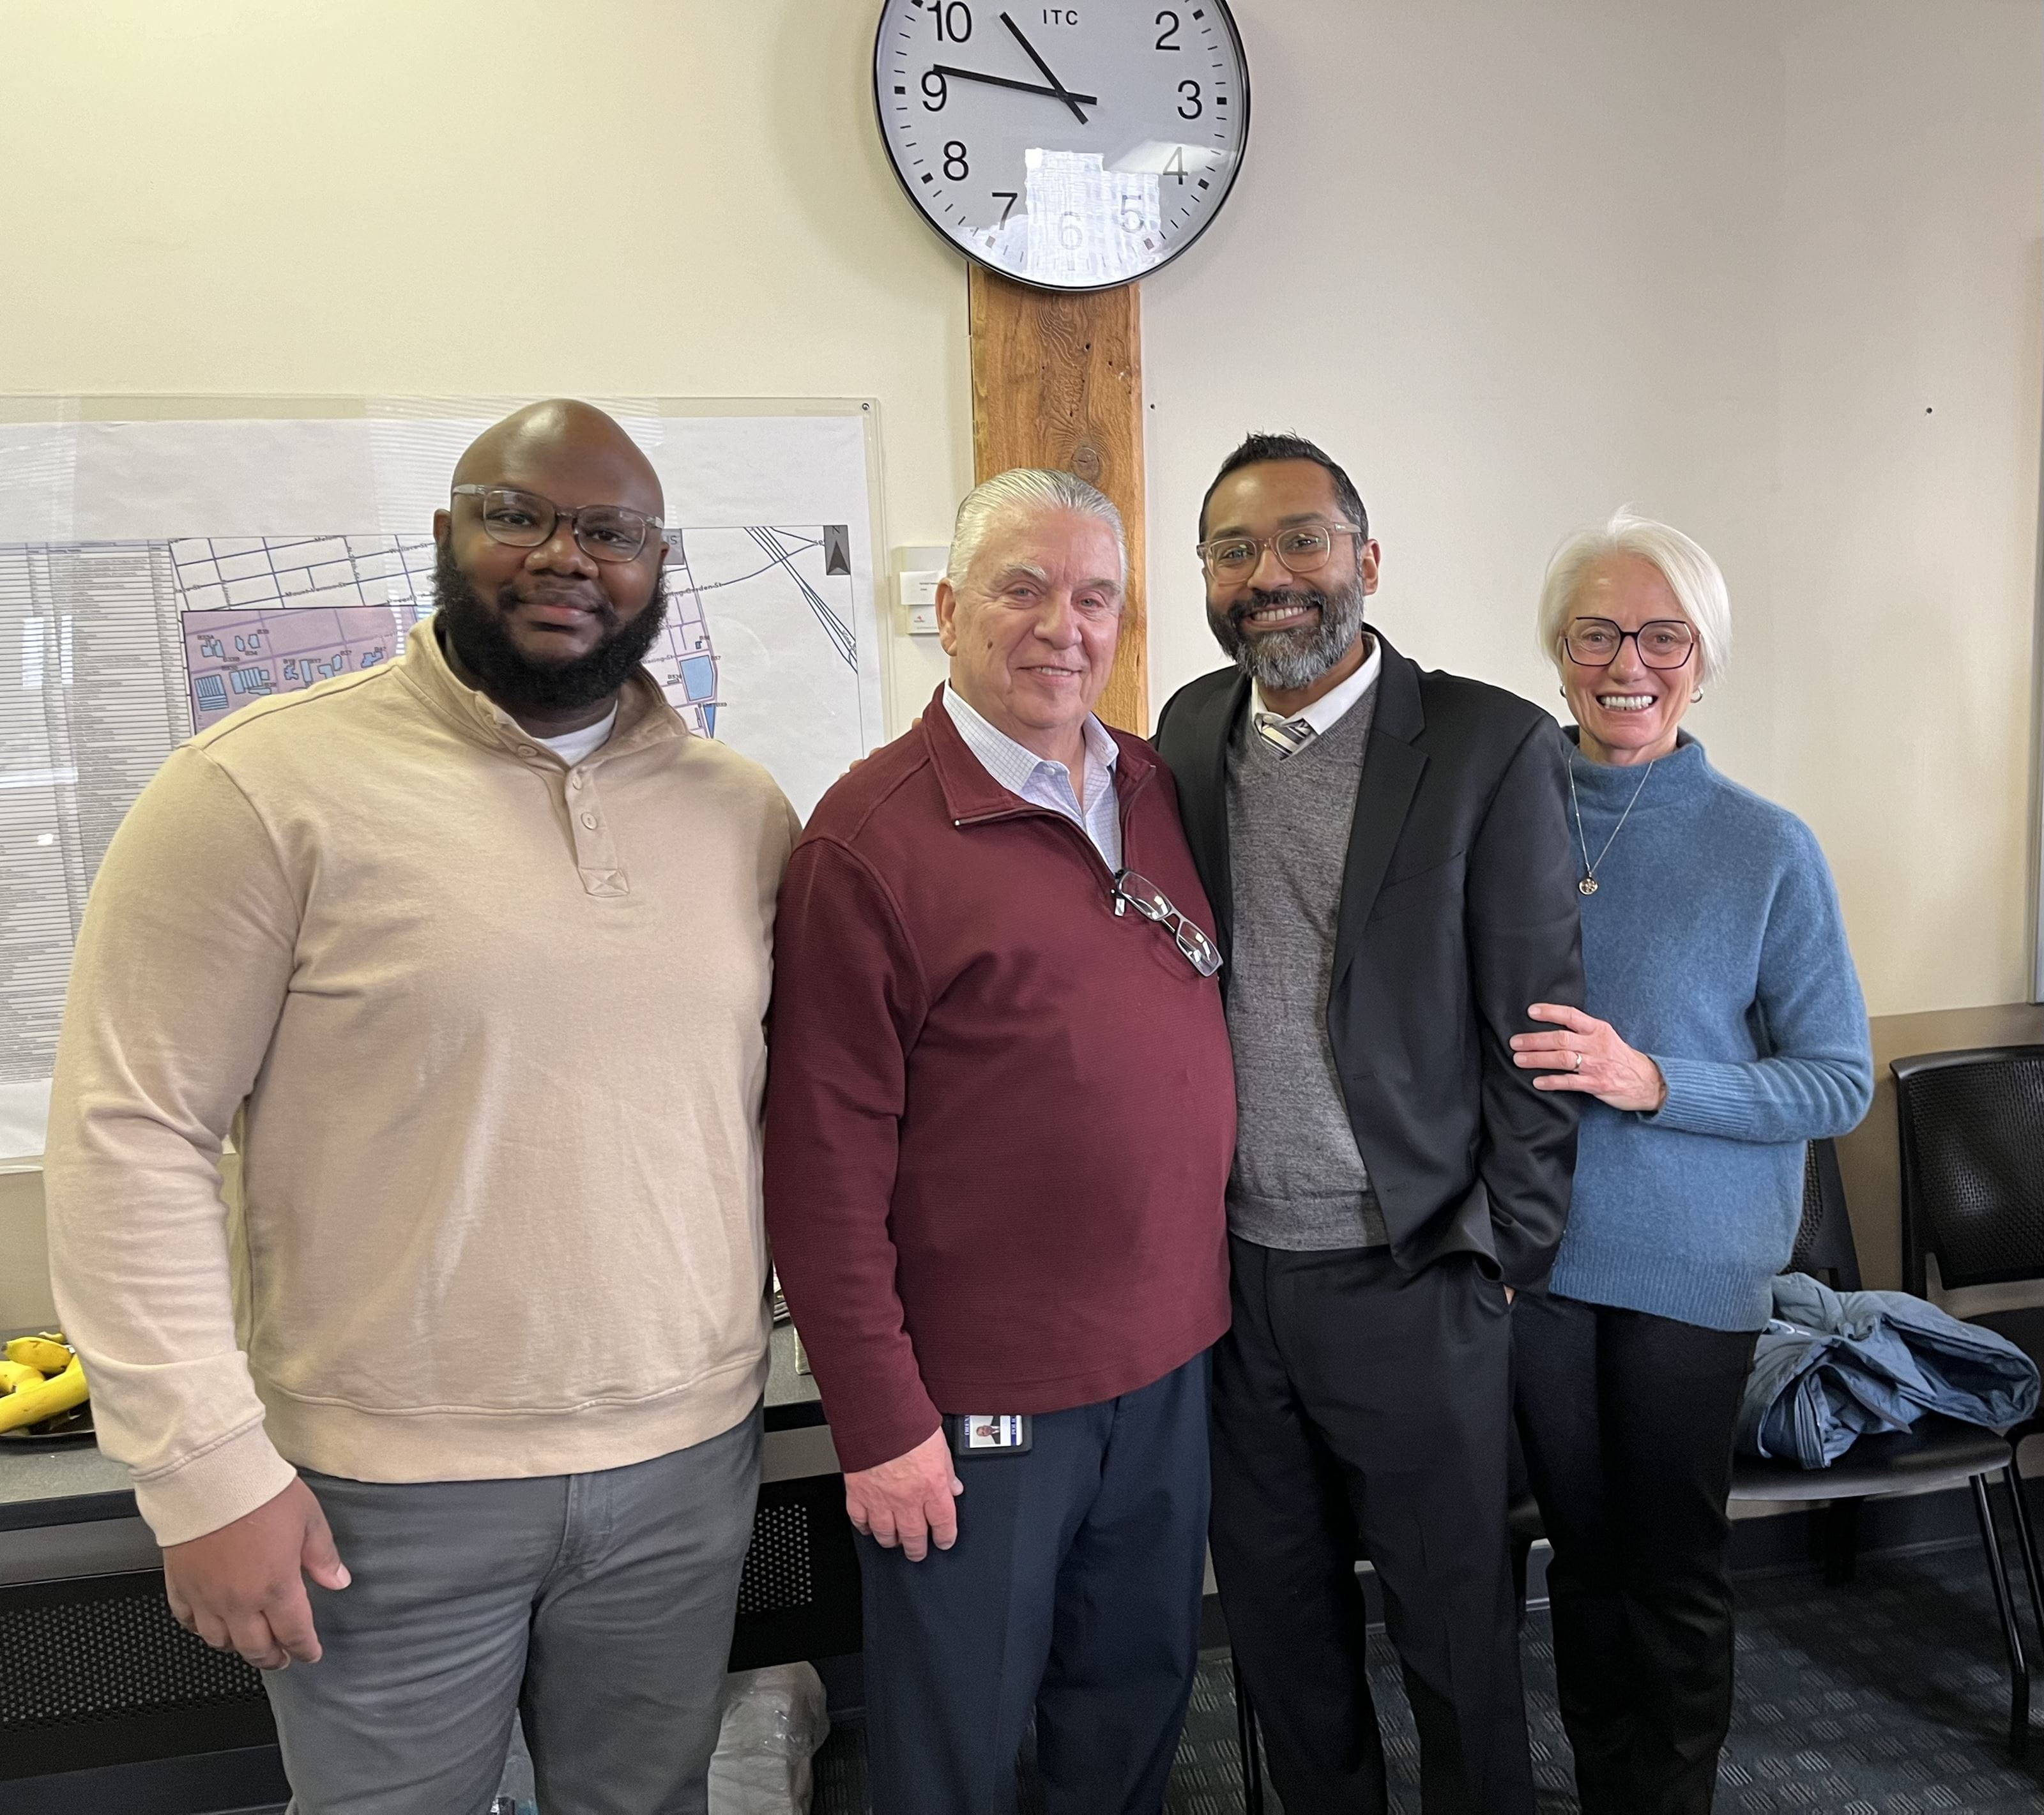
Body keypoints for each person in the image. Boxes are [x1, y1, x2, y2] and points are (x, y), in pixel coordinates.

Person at [42, 400, 799, 1815]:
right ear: (447, 535)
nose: (565, 556)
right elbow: (128, 1131)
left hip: (688, 1460)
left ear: (659, 563)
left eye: (611, 531)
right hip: (381, 1489)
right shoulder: (257, 788)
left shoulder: (740, 809)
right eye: (517, 514)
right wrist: (201, 1469)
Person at [764, 469, 1235, 1815]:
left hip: (1167, 1371)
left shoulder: (1149, 784)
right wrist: (880, 1419)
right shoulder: (868, 841)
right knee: (956, 1740)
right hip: (977, 1405)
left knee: (1132, 1705)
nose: (1061, 627)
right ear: (950, 606)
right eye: (1023, 588)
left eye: (1094, 597)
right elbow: (819, 1163)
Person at [1152, 431, 1583, 1815]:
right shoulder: (1183, 733)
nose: (1268, 576)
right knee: (1281, 1633)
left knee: (1455, 1630)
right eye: (1233, 550)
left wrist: (1502, 1244)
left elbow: (1537, 1022)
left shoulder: (1485, 741)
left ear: (1364, 560)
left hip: (1413, 1270)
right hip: (1230, 1281)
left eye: (1299, 541)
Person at [1506, 509, 1873, 1812]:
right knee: (1581, 1557)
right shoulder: (1493, 813)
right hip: (1530, 1256)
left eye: (1664, 634)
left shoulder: (1763, 844)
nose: (1629, 660)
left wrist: (1653, 1078)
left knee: (1665, 1565)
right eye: (1598, 630)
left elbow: (1836, 1077)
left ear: (1702, 658)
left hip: (1689, 1264)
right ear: (1557, 649)